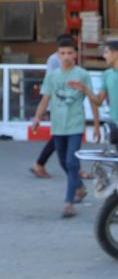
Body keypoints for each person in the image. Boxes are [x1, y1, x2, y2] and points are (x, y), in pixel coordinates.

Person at [30, 36, 99, 218]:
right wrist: (37, 118)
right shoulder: (52, 76)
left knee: (71, 162)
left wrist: (96, 125)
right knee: (63, 162)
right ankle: (80, 187)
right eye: (63, 53)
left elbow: (93, 101)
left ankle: (68, 203)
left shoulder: (82, 75)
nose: (66, 56)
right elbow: (45, 99)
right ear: (58, 55)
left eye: (70, 53)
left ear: (75, 54)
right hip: (58, 126)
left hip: (75, 125)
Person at [30, 38, 67, 179]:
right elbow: (50, 82)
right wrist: (40, 113)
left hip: (66, 105)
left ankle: (40, 163)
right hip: (57, 104)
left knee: (61, 137)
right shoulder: (53, 59)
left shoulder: (68, 59)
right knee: (60, 137)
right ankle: (40, 163)